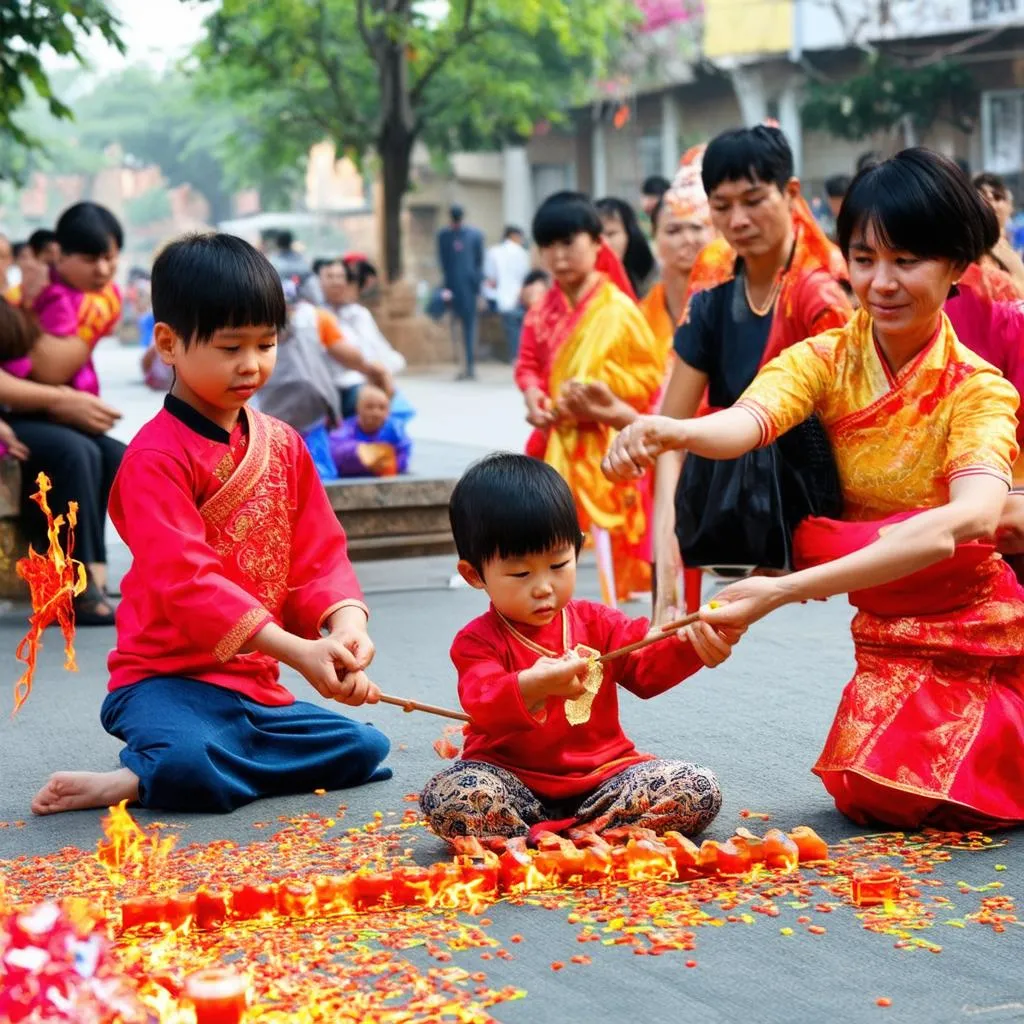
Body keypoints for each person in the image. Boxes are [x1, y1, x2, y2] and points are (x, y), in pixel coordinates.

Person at [605, 149, 1024, 830]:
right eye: (863, 259)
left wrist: (781, 590)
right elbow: (747, 422)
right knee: (872, 792)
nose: (881, 283)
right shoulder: (825, 356)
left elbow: (968, 520)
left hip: (971, 625)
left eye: (906, 261)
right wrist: (670, 431)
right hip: (884, 623)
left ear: (956, 268)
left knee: (943, 796)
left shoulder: (978, 389)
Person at [31, 232, 392, 816]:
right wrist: (299, 652)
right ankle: (141, 777)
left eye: (266, 344)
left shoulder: (285, 444)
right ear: (169, 344)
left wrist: (345, 627)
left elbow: (318, 557)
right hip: (163, 682)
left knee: (364, 747)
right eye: (231, 347)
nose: (252, 365)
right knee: (189, 758)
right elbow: (188, 583)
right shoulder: (153, 459)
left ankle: (175, 768)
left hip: (255, 686)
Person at [419, 453, 733, 840]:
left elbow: (646, 665)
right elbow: (481, 701)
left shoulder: (598, 620)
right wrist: (534, 685)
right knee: (452, 798)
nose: (543, 587)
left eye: (558, 564)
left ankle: (561, 836)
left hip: (603, 780)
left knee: (697, 787)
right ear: (474, 574)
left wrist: (695, 644)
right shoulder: (477, 641)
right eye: (520, 573)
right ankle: (579, 836)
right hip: (512, 784)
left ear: (577, 550)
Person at [650, 125, 853, 622]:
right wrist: (667, 579)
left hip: (818, 514)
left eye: (753, 199)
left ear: (791, 193)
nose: (737, 220)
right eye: (720, 206)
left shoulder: (821, 293)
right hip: (731, 512)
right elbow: (669, 436)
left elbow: (853, 427)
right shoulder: (712, 300)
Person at [514, 191, 664, 605]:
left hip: (606, 441)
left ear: (597, 244)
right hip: (558, 441)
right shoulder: (542, 309)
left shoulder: (617, 309)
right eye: (548, 246)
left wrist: (598, 392)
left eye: (568, 243)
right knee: (552, 541)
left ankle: (613, 627)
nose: (558, 256)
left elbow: (647, 374)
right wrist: (534, 397)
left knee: (608, 546)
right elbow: (527, 363)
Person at [28, 202, 124, 396]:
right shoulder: (43, 295)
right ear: (59, 255)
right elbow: (49, 370)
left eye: (110, 258)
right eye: (89, 260)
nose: (103, 270)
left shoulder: (105, 296)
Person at [639, 148, 713, 365]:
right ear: (654, 237)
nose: (687, 239)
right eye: (673, 231)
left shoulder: (732, 308)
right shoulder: (638, 317)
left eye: (697, 228)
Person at [317, 257, 401, 417]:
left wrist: (379, 374)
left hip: (358, 382)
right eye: (329, 276)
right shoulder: (313, 316)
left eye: (340, 277)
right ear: (319, 282)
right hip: (324, 387)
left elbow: (375, 352)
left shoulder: (359, 314)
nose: (336, 282)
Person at [437, 205, 484, 380]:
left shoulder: (474, 235)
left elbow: (479, 263)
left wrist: (478, 290)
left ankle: (471, 366)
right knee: (456, 330)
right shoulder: (444, 236)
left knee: (471, 329)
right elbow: (443, 263)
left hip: (470, 290)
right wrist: (446, 289)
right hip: (453, 289)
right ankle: (461, 365)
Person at [329, 384, 411, 478]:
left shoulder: (395, 430)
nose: (375, 413)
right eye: (370, 407)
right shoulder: (344, 429)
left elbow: (404, 453)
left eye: (382, 408)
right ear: (358, 408)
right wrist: (363, 451)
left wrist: (390, 463)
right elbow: (335, 453)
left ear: (388, 411)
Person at [972, 172, 1024, 297]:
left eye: (997, 197)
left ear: (1009, 206)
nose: (991, 202)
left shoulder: (1014, 245)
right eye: (983, 197)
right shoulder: (972, 250)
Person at [483, 226, 531, 362]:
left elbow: (490, 276)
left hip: (501, 296)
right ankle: (520, 357)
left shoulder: (494, 252)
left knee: (510, 329)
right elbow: (525, 276)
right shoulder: (521, 253)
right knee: (519, 328)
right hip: (518, 295)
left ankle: (515, 356)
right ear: (513, 236)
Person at [595, 197, 657, 298]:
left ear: (629, 234)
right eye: (597, 236)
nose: (604, 242)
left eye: (611, 234)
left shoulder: (648, 271)